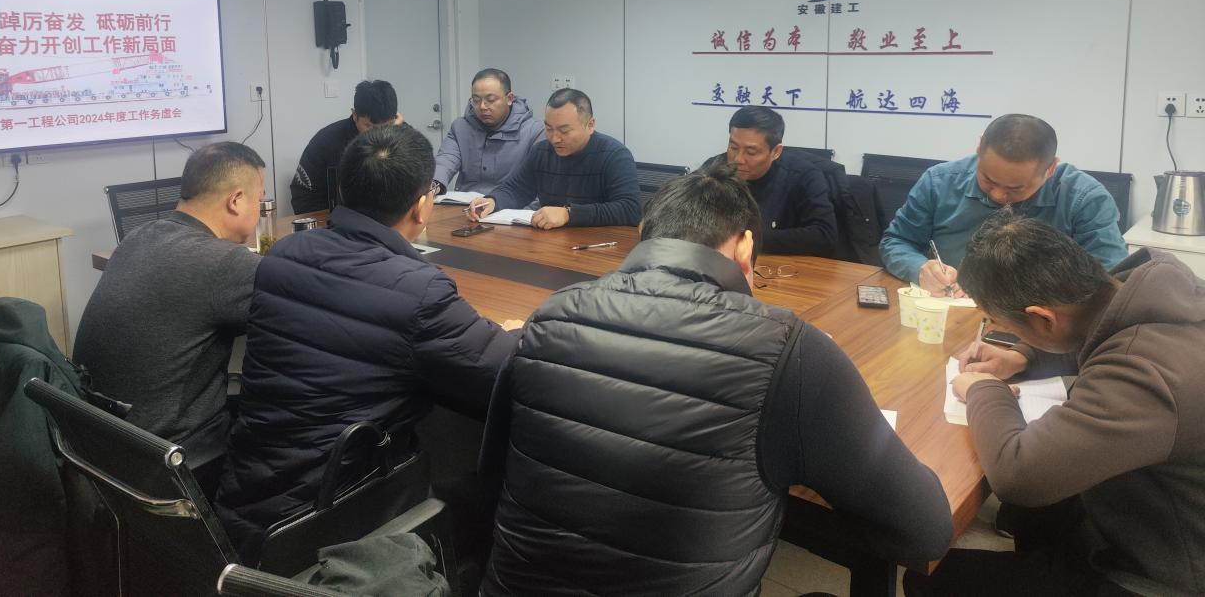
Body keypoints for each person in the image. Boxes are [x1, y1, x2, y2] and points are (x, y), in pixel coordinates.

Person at [480, 163, 953, 596]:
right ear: (745, 246)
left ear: (643, 234)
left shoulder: (551, 314)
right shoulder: (787, 347)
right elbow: (925, 530)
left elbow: (494, 466)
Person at [215, 124, 520, 561]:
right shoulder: (420, 292)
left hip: (244, 495)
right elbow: (505, 369)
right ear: (421, 207)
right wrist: (518, 332)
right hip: (333, 515)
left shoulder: (282, 255)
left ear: (343, 190)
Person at [906, 211, 1205, 597]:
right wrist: (1022, 355)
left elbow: (1018, 475)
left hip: (1169, 575)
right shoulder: (1153, 291)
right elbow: (1097, 334)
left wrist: (984, 389)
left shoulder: (1145, 373)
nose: (1002, 333)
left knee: (930, 579)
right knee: (1037, 513)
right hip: (1154, 512)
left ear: (1043, 318)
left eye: (1003, 326)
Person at [73, 141, 266, 488]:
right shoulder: (224, 263)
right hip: (171, 463)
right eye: (260, 200)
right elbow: (308, 312)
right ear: (236, 200)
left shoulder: (136, 238)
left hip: (101, 447)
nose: (260, 210)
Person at [880, 114, 1126, 297]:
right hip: (951, 312)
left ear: (1050, 169)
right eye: (987, 180)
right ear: (979, 149)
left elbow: (1111, 278)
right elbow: (896, 241)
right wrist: (920, 268)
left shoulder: (1084, 200)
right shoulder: (939, 182)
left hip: (1039, 325)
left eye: (1015, 188)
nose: (998, 195)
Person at [467, 88, 641, 229]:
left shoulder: (615, 155)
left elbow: (630, 209)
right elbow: (516, 189)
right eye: (549, 129)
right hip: (552, 243)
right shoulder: (542, 151)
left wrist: (569, 214)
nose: (555, 138)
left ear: (590, 125)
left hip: (600, 246)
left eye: (564, 131)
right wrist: (492, 201)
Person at [702, 105, 838, 256]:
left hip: (778, 265)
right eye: (733, 147)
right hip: (718, 260)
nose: (738, 159)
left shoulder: (803, 176)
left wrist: (745, 239)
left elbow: (825, 235)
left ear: (776, 152)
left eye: (750, 152)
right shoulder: (713, 169)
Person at [289, 79, 400, 213]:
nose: (379, 135)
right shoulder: (326, 141)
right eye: (370, 127)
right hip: (335, 220)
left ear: (395, 119)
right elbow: (303, 197)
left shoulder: (402, 138)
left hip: (385, 219)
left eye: (386, 127)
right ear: (354, 115)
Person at [432, 68, 543, 195]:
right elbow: (446, 161)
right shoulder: (460, 128)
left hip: (512, 204)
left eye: (490, 100)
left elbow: (540, 183)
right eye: (476, 100)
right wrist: (433, 185)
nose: (482, 107)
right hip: (466, 204)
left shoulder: (534, 132)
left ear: (509, 98)